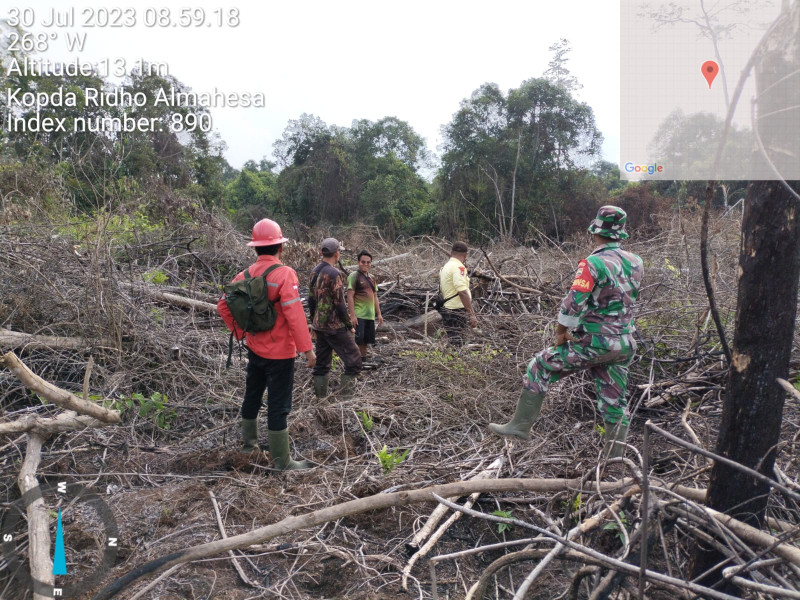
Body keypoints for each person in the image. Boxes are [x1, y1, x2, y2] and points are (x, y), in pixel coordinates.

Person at [489, 206, 644, 459]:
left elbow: (573, 303)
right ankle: (614, 460)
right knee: (615, 401)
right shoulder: (636, 261)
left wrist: (561, 332)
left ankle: (518, 428)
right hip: (625, 343)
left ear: (595, 231)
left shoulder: (592, 263)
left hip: (596, 342)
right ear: (621, 233)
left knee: (539, 365)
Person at [217, 218, 316, 471]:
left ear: (255, 248)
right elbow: (295, 315)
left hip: (255, 349)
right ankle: (282, 461)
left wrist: (241, 333)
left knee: (252, 395)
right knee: (278, 405)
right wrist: (307, 350)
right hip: (281, 354)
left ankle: (249, 446)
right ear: (280, 247)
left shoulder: (244, 275)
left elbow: (223, 305)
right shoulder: (285, 274)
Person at [309, 238, 362, 399]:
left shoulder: (314, 271)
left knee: (321, 365)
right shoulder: (334, 273)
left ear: (322, 253)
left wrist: (313, 323)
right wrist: (349, 325)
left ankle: (321, 402)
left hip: (320, 326)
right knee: (354, 361)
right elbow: (339, 303)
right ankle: (346, 402)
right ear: (337, 254)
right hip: (334, 327)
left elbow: (311, 300)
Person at [347, 250, 384, 365]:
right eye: (363, 262)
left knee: (365, 340)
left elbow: (375, 296)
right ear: (358, 262)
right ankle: (354, 362)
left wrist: (379, 314)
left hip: (370, 315)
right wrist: (352, 315)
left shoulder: (372, 278)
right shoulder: (354, 276)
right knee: (358, 339)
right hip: (359, 315)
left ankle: (362, 361)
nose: (366, 264)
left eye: (368, 262)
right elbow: (350, 296)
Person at [438, 241, 478, 345]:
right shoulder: (458, 267)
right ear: (465, 255)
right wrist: (472, 314)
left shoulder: (446, 266)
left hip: (448, 309)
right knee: (457, 343)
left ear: (451, 253)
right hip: (456, 311)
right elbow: (462, 292)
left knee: (454, 341)